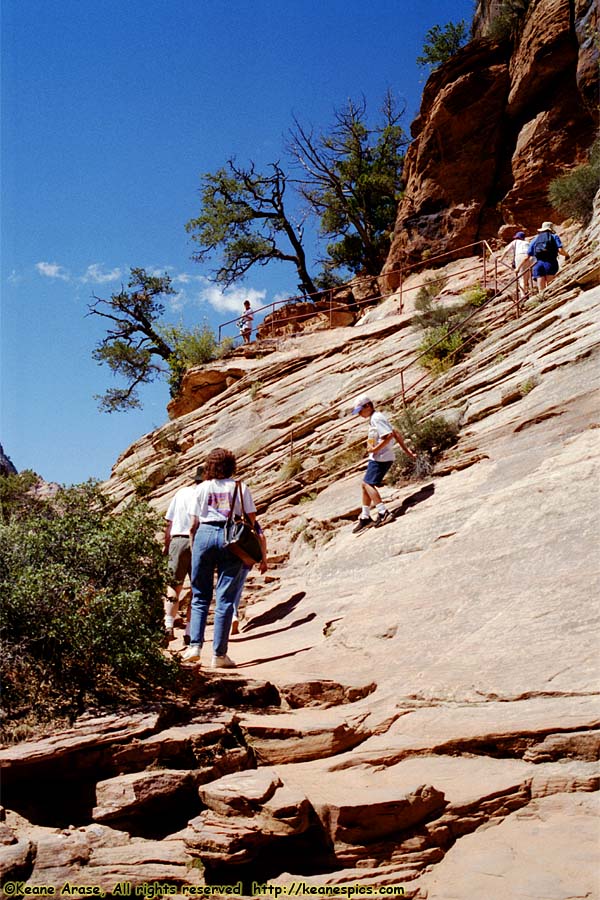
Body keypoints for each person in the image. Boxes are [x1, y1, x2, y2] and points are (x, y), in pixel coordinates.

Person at [183, 447, 264, 667]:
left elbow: (192, 524)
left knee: (200, 594)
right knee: (225, 598)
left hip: (205, 535)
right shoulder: (241, 487)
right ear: (231, 466)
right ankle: (219, 655)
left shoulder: (201, 489)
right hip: (232, 538)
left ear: (209, 466)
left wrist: (195, 547)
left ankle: (194, 646)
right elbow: (252, 519)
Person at [351, 394, 416, 534]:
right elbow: (395, 433)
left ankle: (383, 512)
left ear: (368, 406)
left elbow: (388, 436)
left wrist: (374, 449)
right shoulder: (375, 418)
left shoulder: (377, 418)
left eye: (360, 411)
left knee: (368, 484)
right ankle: (365, 516)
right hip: (378, 456)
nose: (359, 415)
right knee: (365, 484)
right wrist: (408, 451)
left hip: (381, 457)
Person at [163, 466, 203, 640]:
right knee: (197, 589)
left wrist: (166, 545)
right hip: (199, 541)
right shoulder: (207, 494)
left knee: (173, 586)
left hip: (178, 540)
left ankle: (168, 625)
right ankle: (189, 632)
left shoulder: (181, 493)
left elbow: (169, 523)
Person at [230, 523, 268, 635]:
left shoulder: (228, 517)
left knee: (226, 588)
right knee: (238, 588)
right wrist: (264, 560)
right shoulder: (249, 520)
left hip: (230, 556)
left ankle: (229, 616)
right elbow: (262, 537)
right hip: (246, 558)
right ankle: (233, 615)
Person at [527, 221, 570, 292]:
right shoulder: (554, 236)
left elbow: (529, 252)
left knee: (541, 290)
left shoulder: (535, 239)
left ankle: (542, 300)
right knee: (550, 288)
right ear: (551, 229)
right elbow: (560, 250)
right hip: (550, 262)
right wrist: (567, 255)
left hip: (538, 264)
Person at [499, 230, 533, 296]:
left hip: (520, 256)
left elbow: (506, 250)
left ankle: (523, 296)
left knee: (521, 278)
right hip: (529, 257)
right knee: (526, 277)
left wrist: (501, 258)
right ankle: (527, 291)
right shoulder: (527, 243)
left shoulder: (515, 242)